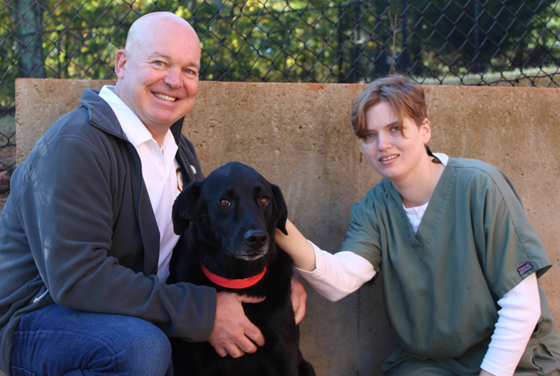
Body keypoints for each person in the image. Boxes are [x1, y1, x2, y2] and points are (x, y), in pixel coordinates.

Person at [0, 12, 306, 376]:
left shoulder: (177, 151)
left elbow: (209, 237)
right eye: (160, 63)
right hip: (40, 319)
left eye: (189, 70)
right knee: (141, 348)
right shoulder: (77, 146)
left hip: (132, 312)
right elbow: (78, 279)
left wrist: (275, 279)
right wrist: (202, 312)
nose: (175, 81)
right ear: (122, 64)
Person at [275, 74, 560, 376]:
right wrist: (271, 219)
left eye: (395, 129)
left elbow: (522, 305)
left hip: (513, 360)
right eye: (369, 135)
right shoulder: (375, 207)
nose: (382, 145)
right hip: (430, 364)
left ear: (424, 130)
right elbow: (340, 281)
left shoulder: (480, 185)